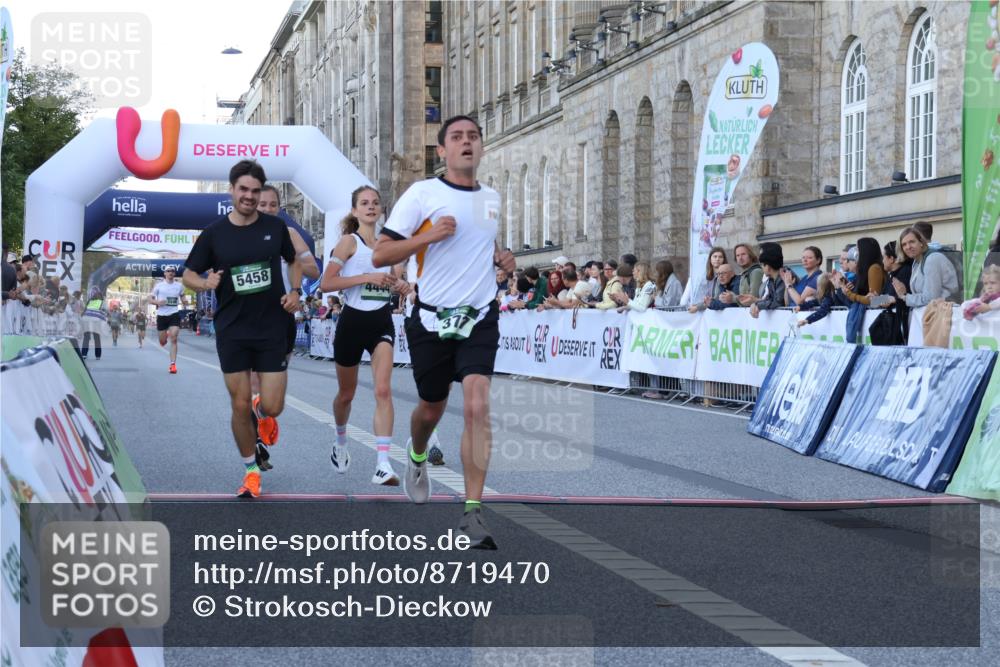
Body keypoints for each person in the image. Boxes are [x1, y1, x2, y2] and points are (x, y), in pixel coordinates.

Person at [372, 114, 515, 549]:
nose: (466, 143)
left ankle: (472, 513)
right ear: (442, 151)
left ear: (481, 147)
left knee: (476, 406)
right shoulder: (422, 194)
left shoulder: (491, 198)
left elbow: (479, 247)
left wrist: (505, 260)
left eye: (473, 137)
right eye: (457, 137)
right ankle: (416, 454)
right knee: (430, 409)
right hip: (431, 318)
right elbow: (381, 254)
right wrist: (426, 238)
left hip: (479, 316)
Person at [182, 159, 302, 499]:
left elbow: (294, 260)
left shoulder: (275, 228)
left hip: (272, 326)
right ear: (232, 190)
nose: (249, 196)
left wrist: (294, 291)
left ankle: (263, 413)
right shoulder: (214, 234)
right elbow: (188, 273)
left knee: (274, 405)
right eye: (243, 190)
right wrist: (205, 283)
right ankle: (251, 472)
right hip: (233, 328)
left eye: (254, 191)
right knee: (238, 404)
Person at [320, 185, 411, 486]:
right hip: (352, 324)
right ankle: (340, 439)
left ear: (381, 209)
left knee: (383, 391)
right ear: (355, 210)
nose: (371, 207)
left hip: (381, 323)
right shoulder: (349, 242)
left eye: (375, 203)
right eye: (364, 203)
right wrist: (368, 277)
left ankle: (383, 464)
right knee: (346, 395)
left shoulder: (391, 245)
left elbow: (396, 280)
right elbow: (326, 283)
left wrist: (399, 285)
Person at [249, 184, 321, 451]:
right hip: (250, 316)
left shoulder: (289, 233)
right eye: (262, 204)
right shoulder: (239, 235)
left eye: (272, 205)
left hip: (282, 314)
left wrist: (293, 259)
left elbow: (314, 270)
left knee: (273, 387)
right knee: (253, 379)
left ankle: (265, 414)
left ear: (278, 208)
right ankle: (256, 440)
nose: (267, 209)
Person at [834, 237, 885, 343]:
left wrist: (849, 294)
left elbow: (874, 300)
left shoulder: (874, 268)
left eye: (857, 248)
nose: (855, 252)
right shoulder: (866, 269)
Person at [893, 226, 959, 307]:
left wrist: (905, 297)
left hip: (946, 312)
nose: (908, 247)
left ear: (921, 242)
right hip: (931, 312)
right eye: (904, 244)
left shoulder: (932, 259)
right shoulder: (916, 262)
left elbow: (930, 299)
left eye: (912, 242)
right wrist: (904, 295)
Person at [150, 267, 185, 373]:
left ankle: (173, 365)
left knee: (174, 338)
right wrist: (157, 303)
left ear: (174, 274)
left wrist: (185, 301)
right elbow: (149, 298)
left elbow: (183, 297)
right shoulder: (159, 286)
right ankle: (163, 340)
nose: (171, 272)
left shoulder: (179, 286)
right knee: (162, 340)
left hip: (174, 314)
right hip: (161, 316)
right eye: (168, 271)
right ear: (165, 273)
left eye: (173, 271)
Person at [750, 243, 787, 318]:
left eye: (762, 264)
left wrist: (758, 305)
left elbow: (777, 302)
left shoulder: (784, 276)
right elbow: (768, 298)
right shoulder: (771, 279)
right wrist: (755, 304)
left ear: (768, 265)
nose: (761, 268)